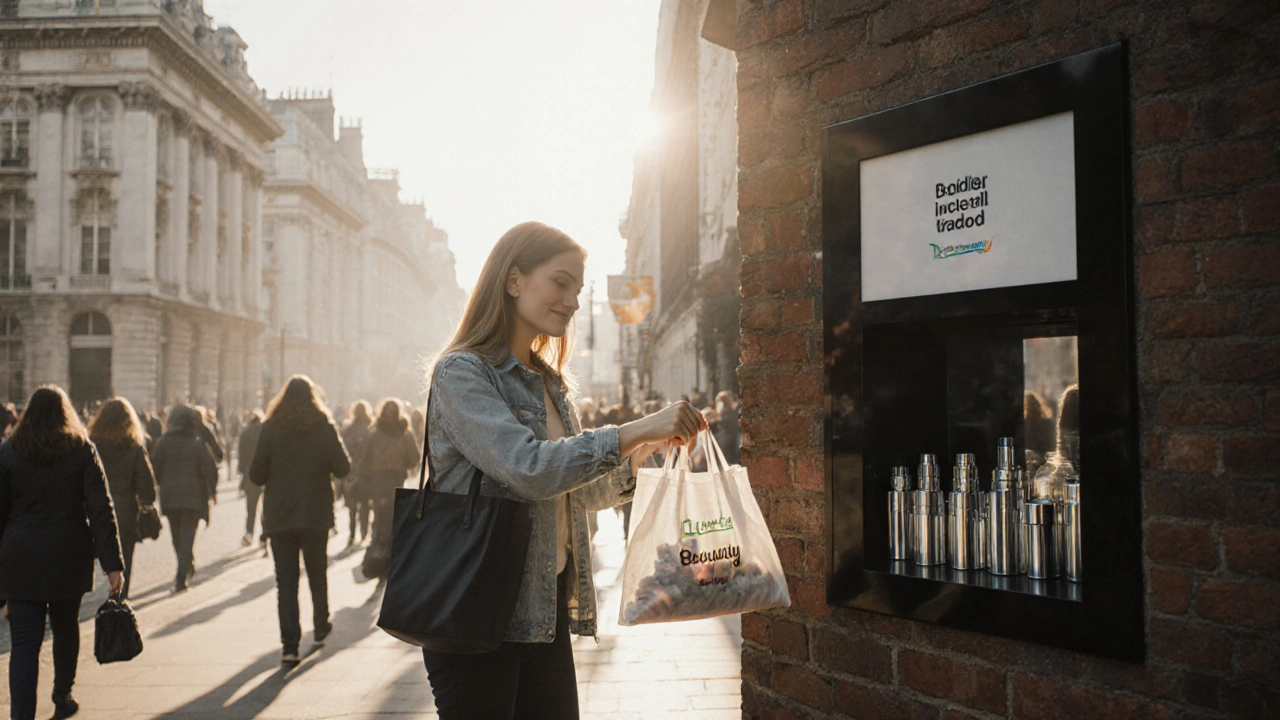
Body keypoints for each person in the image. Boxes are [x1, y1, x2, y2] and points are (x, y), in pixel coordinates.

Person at [420, 221, 706, 719]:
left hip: (543, 611)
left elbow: (569, 495)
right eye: (560, 282)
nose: (573, 300)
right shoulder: (462, 373)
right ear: (513, 281)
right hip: (477, 618)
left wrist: (643, 452)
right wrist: (632, 430)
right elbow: (528, 469)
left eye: (577, 288)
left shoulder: (550, 384)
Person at [0, 386, 125, 720]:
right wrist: (113, 565)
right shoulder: (82, 449)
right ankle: (62, 695)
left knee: (24, 644)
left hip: (21, 555)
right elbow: (101, 508)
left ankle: (21, 715)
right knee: (66, 628)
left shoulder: (9, 451)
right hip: (68, 553)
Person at [249, 375, 351, 666]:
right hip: (316, 513)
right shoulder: (323, 426)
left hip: (280, 514)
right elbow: (343, 468)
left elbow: (256, 475)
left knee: (286, 581)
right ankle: (320, 626)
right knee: (317, 573)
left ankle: (290, 646)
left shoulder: (269, 428)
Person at [88, 397, 158, 600]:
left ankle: (90, 600)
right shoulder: (135, 448)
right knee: (123, 560)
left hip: (93, 511)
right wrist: (146, 503)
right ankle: (118, 602)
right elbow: (147, 486)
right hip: (125, 512)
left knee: (91, 558)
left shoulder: (91, 447)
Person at [151, 404, 218, 593]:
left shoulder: (164, 442)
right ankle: (183, 573)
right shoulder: (197, 442)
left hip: (170, 496)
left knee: (177, 538)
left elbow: (155, 468)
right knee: (187, 536)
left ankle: (183, 570)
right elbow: (210, 467)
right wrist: (212, 490)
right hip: (194, 496)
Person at [361, 399, 420, 572]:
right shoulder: (404, 432)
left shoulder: (374, 431)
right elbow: (414, 459)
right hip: (396, 479)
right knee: (395, 516)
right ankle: (390, 553)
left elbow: (365, 459)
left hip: (378, 480)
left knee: (380, 517)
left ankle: (381, 551)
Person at [339, 401, 374, 546]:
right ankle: (364, 530)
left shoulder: (348, 429)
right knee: (365, 503)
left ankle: (352, 533)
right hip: (367, 471)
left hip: (351, 472)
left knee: (352, 506)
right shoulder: (371, 428)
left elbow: (344, 450)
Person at [238, 410, 265, 548]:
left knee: (251, 506)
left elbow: (241, 454)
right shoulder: (266, 431)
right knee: (265, 506)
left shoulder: (245, 432)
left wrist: (242, 471)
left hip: (250, 473)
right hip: (266, 472)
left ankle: (249, 532)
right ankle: (264, 535)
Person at [714, 390, 741, 465]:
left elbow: (730, 424)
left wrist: (718, 417)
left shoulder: (732, 412)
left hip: (729, 442)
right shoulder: (726, 412)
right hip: (724, 441)